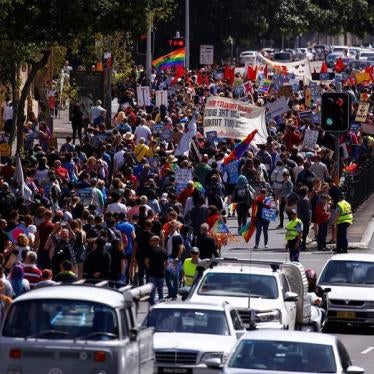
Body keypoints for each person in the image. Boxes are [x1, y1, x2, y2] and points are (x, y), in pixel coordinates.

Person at [145, 235, 167, 305]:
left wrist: (150, 269)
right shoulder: (163, 250)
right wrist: (163, 270)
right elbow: (166, 263)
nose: (150, 242)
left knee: (152, 292)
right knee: (160, 291)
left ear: (157, 241)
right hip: (161, 274)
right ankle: (161, 305)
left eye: (152, 240)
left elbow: (146, 262)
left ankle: (153, 306)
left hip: (152, 274)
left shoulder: (149, 250)